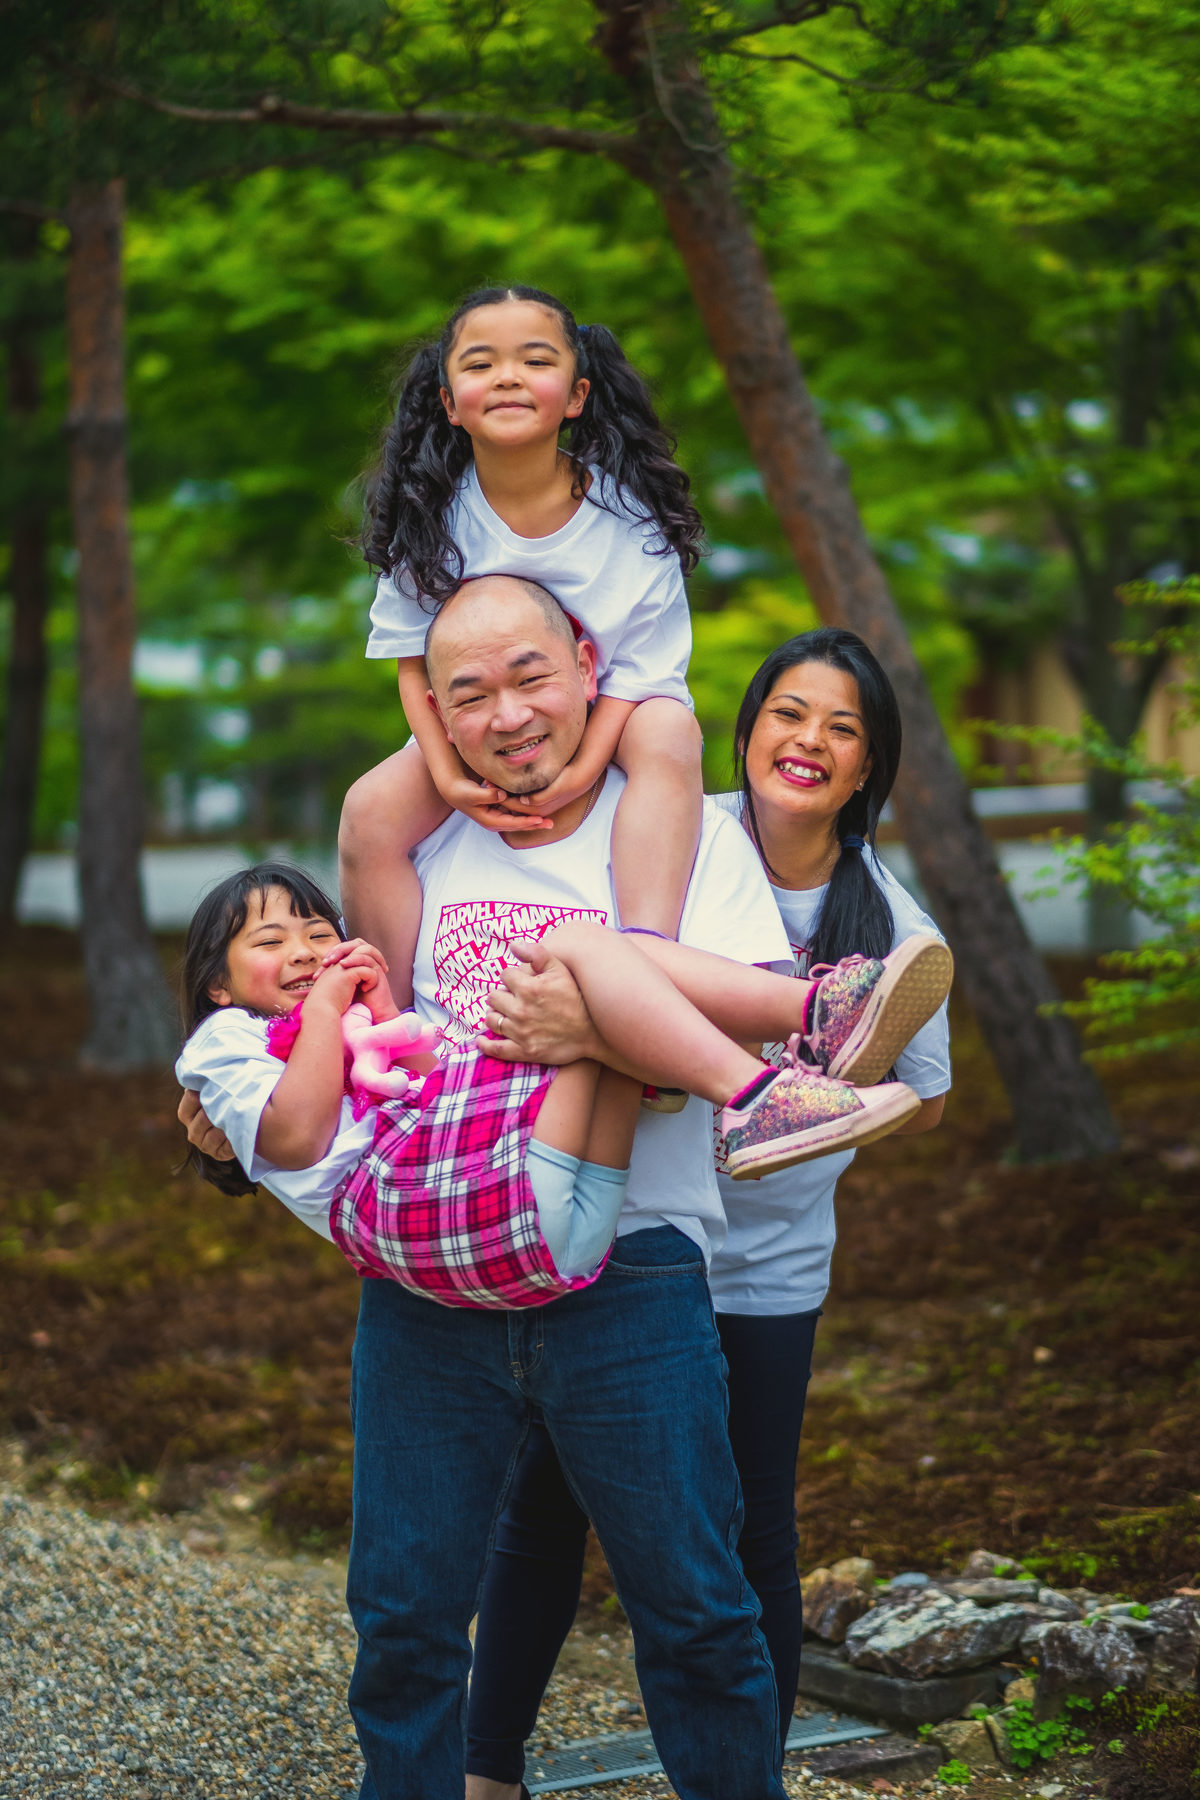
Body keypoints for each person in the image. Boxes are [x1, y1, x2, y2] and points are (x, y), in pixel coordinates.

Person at [462, 627, 952, 1797]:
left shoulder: (892, 923)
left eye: (843, 728)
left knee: (752, 1531)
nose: (810, 741)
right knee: (544, 1509)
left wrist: (843, 1108)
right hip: (631, 1234)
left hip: (768, 1265)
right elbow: (569, 956)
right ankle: (484, 1768)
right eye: (790, 712)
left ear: (870, 765)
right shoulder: (672, 826)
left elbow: (926, 1101)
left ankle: (748, 1770)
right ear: (748, 727)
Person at [175, 855, 945, 1309]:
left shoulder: (341, 1027)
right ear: (217, 984)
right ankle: (779, 1059)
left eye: (320, 933)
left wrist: (378, 1010)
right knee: (574, 948)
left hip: (556, 1230)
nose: (309, 951)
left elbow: (427, 1090)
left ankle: (793, 1035)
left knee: (594, 1019)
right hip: (435, 1206)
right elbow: (299, 1135)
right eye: (272, 941)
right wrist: (332, 1010)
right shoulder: (227, 1040)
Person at [339, 283, 706, 1012]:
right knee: (371, 809)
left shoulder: (631, 519)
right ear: (449, 402)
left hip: (613, 709)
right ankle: (391, 1023)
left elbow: (641, 670)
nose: (506, 376)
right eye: (479, 364)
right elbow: (412, 661)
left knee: (671, 731)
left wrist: (579, 774)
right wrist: (447, 776)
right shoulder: (431, 514)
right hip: (485, 722)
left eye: (534, 359)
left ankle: (648, 977)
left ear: (576, 395)